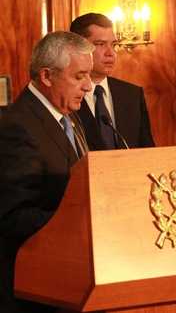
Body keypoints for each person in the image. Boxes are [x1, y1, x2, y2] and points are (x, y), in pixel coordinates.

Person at [0, 31, 94, 313]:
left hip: (71, 278)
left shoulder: (69, 116)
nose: (89, 86)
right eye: (79, 76)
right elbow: (12, 215)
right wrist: (83, 224)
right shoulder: (16, 126)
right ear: (46, 76)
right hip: (33, 291)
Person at [70, 13, 155, 150]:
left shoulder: (132, 94)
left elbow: (147, 150)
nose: (111, 53)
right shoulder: (65, 94)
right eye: (100, 44)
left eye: (114, 44)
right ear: (77, 47)